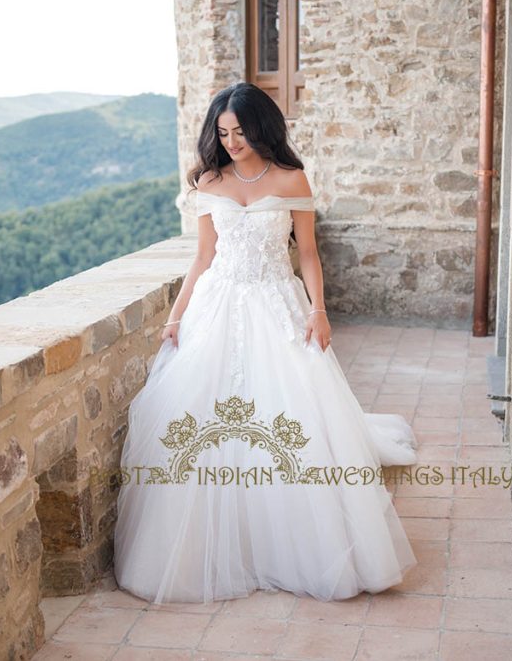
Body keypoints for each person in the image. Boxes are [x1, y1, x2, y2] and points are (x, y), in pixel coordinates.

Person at [113, 81, 419, 604]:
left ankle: (302, 543)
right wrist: (175, 315)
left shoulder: (291, 178)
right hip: (219, 306)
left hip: (278, 305)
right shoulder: (211, 181)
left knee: (295, 416)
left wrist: (319, 312)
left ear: (261, 128)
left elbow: (308, 255)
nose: (231, 141)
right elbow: (203, 257)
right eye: (223, 132)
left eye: (240, 131)